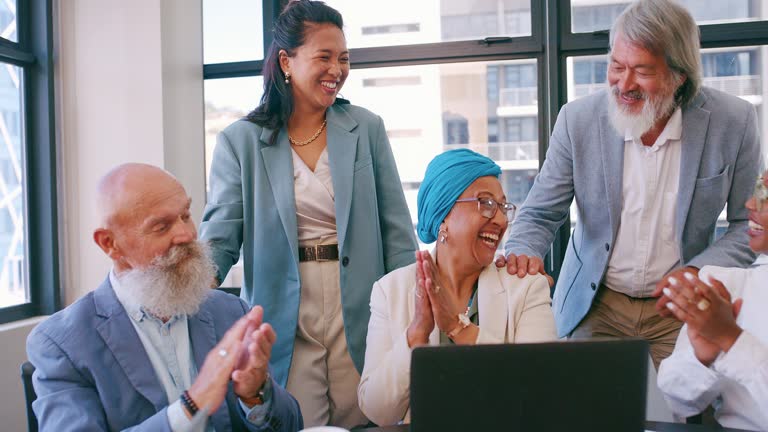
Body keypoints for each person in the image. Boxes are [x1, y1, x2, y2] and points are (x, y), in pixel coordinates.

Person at [502, 0, 760, 368]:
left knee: (684, 416)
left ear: (679, 75)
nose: (624, 84)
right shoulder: (578, 120)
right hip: (596, 303)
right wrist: (523, 249)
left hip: (681, 307)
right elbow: (541, 212)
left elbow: (746, 227)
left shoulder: (734, 121)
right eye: (616, 66)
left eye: (642, 71)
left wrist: (697, 272)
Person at [199, 1, 417, 427]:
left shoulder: (365, 127)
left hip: (361, 302)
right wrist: (180, 297)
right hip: (285, 312)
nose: (336, 69)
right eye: (324, 57)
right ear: (286, 61)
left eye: (343, 59)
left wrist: (409, 318)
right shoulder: (239, 141)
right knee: (299, 421)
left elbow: (397, 233)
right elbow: (219, 240)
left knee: (372, 416)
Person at [26, 164, 303, 432]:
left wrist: (255, 394)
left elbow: (291, 425)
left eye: (185, 215)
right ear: (109, 243)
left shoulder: (229, 311)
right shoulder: (62, 343)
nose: (186, 234)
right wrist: (191, 405)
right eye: (161, 226)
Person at [357, 149, 557, 426]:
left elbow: (541, 395)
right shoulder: (389, 290)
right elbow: (378, 411)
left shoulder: (527, 288)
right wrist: (415, 335)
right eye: (486, 203)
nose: (500, 220)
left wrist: (458, 327)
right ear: (444, 217)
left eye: (503, 207)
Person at [657, 172, 768, 431]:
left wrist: (730, 339)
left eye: (765, 196)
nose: (750, 204)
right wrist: (701, 357)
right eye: (757, 191)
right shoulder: (725, 287)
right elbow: (671, 404)